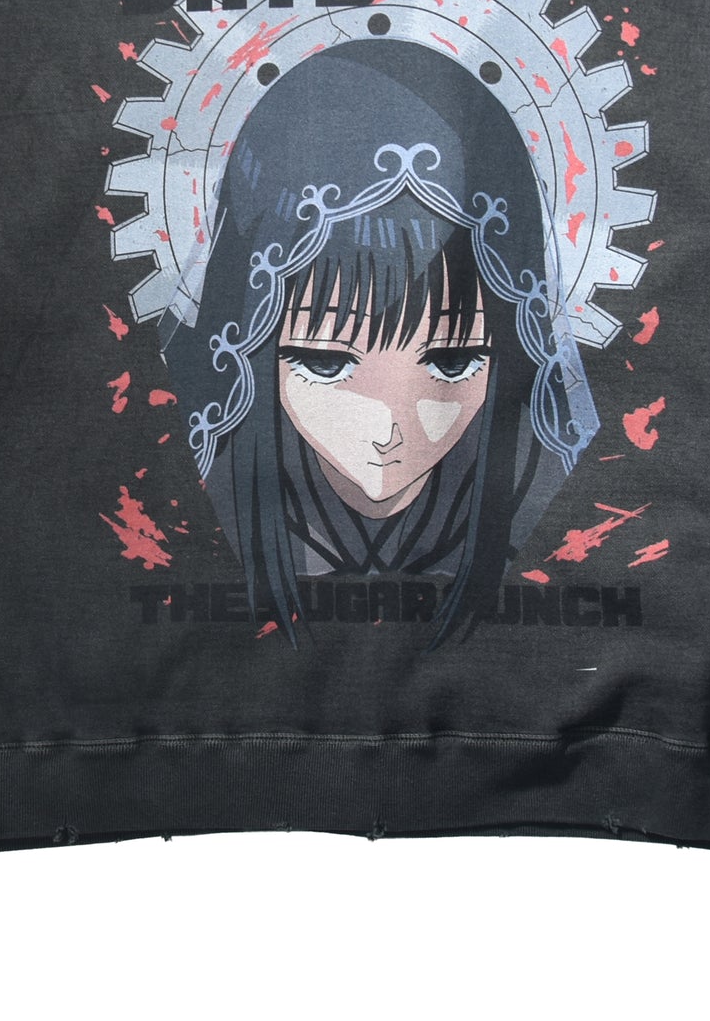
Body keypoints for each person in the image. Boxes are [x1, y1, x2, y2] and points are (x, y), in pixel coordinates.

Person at [157, 36, 601, 640]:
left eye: (451, 363)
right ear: (248, 345)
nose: (387, 428)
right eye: (325, 363)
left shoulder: (553, 502)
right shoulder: (189, 499)